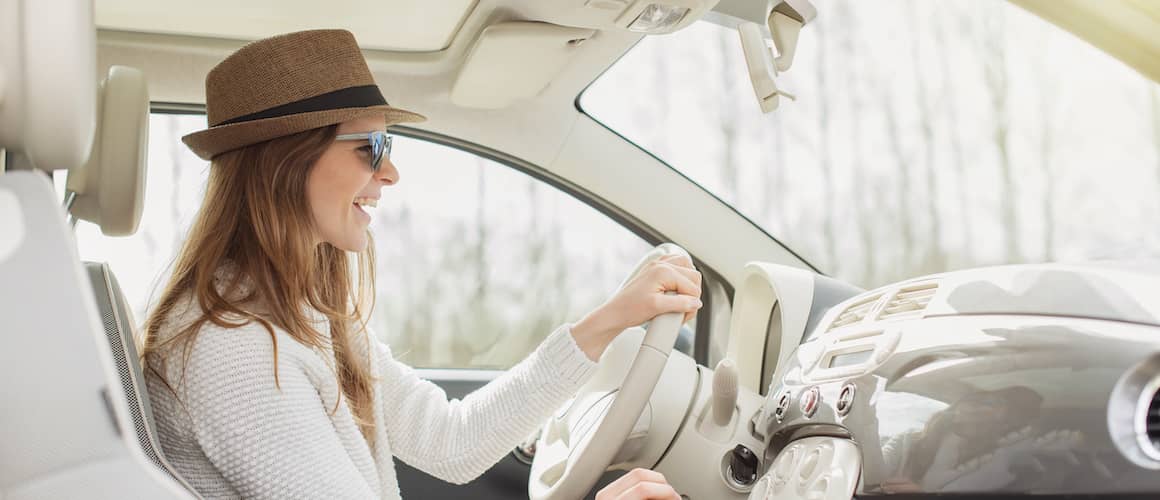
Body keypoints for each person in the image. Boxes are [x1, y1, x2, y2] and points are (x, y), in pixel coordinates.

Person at [140, 29, 698, 500]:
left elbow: (451, 442)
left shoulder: (304, 313)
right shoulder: (231, 345)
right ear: (287, 160)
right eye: (372, 147)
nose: (391, 174)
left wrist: (609, 320)